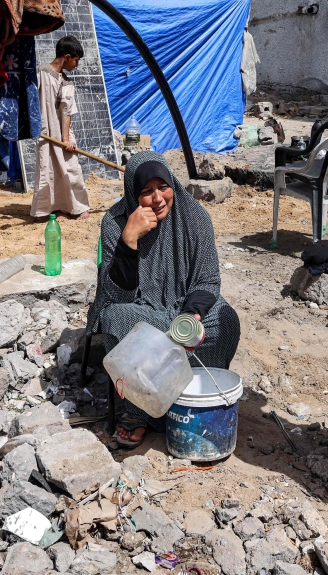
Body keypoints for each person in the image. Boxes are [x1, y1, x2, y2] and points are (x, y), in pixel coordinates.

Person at [86, 151, 241, 448]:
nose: (157, 198)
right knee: (116, 319)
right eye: (146, 191)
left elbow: (208, 280)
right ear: (133, 193)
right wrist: (129, 241)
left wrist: (192, 316)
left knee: (226, 321)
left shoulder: (194, 215)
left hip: (182, 312)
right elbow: (116, 295)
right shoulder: (115, 222)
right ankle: (138, 412)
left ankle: (188, 396)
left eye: (163, 187)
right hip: (144, 314)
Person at [31, 35, 90, 220]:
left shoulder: (67, 83)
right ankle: (53, 209)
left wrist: (66, 140)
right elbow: (30, 102)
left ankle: (79, 207)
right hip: (45, 133)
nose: (76, 65)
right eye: (76, 60)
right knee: (49, 171)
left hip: (62, 134)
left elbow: (68, 113)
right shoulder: (40, 73)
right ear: (67, 56)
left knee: (72, 169)